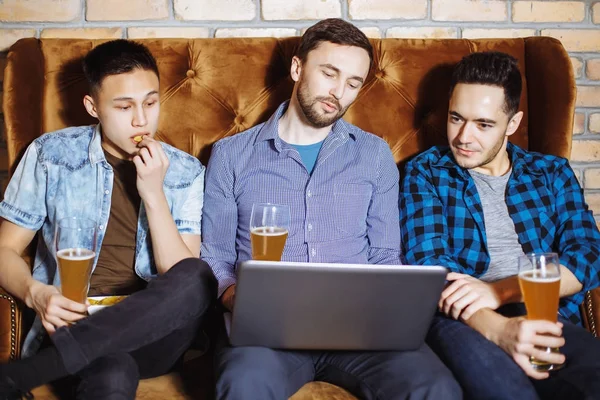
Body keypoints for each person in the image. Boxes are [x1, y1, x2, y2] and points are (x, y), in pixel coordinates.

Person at [201, 18, 461, 400]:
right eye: (329, 73)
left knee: (437, 388)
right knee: (243, 386)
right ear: (297, 68)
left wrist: (391, 306)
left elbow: (386, 254)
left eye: (353, 83)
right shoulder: (231, 156)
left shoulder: (374, 154)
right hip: (267, 333)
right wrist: (235, 296)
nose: (338, 91)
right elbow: (216, 257)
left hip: (361, 331)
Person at [0, 39, 216, 399]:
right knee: (112, 373)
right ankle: (56, 360)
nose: (141, 120)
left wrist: (153, 193)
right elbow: (4, 249)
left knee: (198, 275)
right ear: (93, 106)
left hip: (154, 335)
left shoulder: (185, 172)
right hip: (73, 320)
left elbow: (182, 277)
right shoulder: (51, 155)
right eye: (124, 106)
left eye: (150, 102)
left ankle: (22, 375)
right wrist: (35, 293)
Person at [399, 51, 600, 400]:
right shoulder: (425, 172)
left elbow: (589, 256)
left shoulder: (552, 173)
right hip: (462, 319)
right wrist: (500, 327)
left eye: (484, 124)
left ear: (513, 123)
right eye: (456, 118)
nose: (464, 136)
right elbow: (430, 267)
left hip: (546, 312)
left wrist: (500, 291)